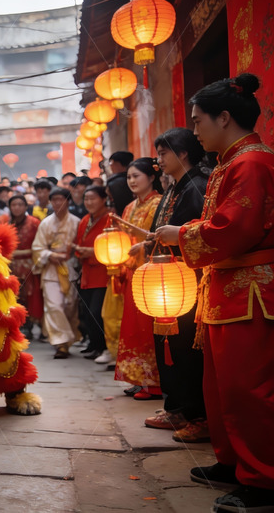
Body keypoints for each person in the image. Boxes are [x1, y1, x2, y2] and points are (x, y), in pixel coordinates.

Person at [155, 73, 274, 512]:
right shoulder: (230, 162)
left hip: (251, 292)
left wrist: (179, 234)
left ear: (224, 117)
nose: (195, 128)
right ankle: (234, 462)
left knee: (249, 388)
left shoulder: (252, 163)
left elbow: (235, 229)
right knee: (222, 386)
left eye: (198, 120)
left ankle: (263, 481)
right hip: (227, 290)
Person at [142, 128, 209, 443]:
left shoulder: (195, 186)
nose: (159, 161)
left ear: (183, 154)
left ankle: (196, 414)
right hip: (169, 280)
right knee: (171, 347)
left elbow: (197, 233)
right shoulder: (177, 187)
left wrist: (171, 237)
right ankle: (178, 407)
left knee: (186, 349)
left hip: (186, 280)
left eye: (163, 153)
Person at [114, 158, 164, 400]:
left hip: (151, 273)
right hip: (133, 272)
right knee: (133, 327)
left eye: (136, 176)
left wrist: (144, 245)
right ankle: (137, 377)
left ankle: (154, 382)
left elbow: (160, 237)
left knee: (148, 327)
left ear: (152, 177)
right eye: (129, 177)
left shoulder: (159, 203)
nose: (132, 181)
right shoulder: (129, 208)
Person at [32, 187, 81, 359]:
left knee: (69, 306)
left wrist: (71, 253)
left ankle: (66, 341)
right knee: (54, 306)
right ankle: (60, 343)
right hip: (51, 271)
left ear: (68, 201)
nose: (58, 203)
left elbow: (80, 245)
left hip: (70, 268)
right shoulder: (45, 223)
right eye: (55, 200)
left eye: (62, 199)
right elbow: (37, 248)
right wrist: (50, 255)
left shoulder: (76, 222)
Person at [73, 185, 111, 362]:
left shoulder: (111, 219)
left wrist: (91, 252)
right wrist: (80, 250)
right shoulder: (85, 220)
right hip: (87, 272)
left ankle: (104, 346)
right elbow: (79, 242)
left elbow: (113, 247)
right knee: (88, 311)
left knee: (98, 311)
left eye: (93, 198)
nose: (89, 202)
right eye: (86, 198)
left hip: (103, 273)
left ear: (104, 199)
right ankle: (95, 344)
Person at [1, 195, 42, 336]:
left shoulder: (34, 223)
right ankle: (15, 325)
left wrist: (17, 253)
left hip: (29, 264)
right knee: (13, 296)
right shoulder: (4, 222)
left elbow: (40, 245)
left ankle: (29, 325)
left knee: (29, 295)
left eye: (20, 204)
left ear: (25, 207)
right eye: (14, 205)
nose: (17, 207)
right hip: (9, 266)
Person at [106, 151, 135, 216]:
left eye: (111, 163)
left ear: (118, 163)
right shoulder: (130, 178)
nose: (111, 166)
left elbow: (120, 204)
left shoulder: (116, 182)